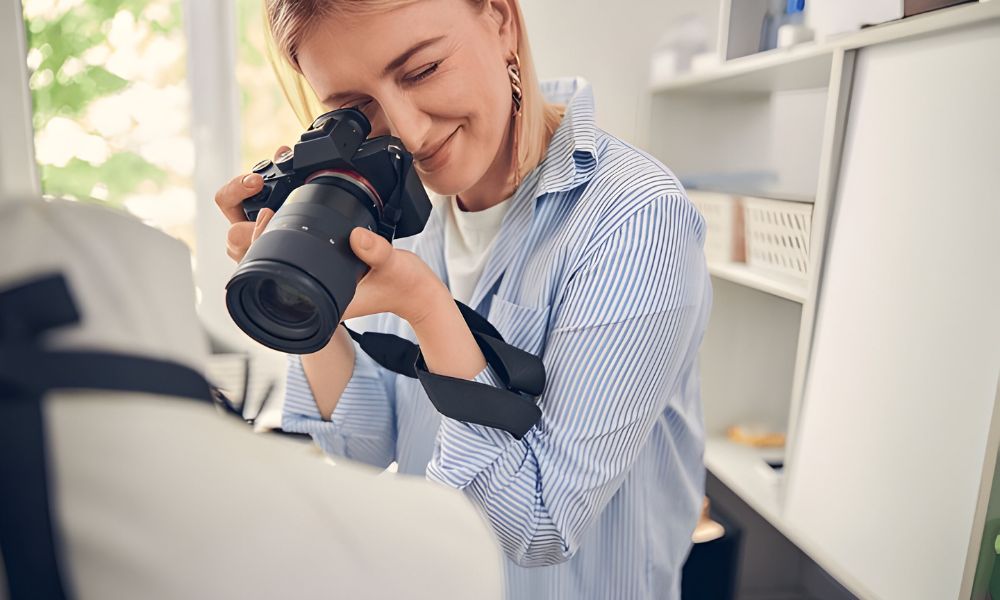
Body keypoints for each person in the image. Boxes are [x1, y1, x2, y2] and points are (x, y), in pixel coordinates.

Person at [215, 0, 713, 597]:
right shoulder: (397, 208)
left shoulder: (634, 219)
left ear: (501, 20)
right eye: (355, 108)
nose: (408, 131)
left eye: (422, 70)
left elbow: (537, 528)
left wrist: (427, 309)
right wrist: (306, 291)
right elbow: (366, 449)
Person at [0, 197, 503, 600]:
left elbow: (360, 452)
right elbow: (367, 458)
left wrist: (319, 295)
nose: (404, 125)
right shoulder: (433, 545)